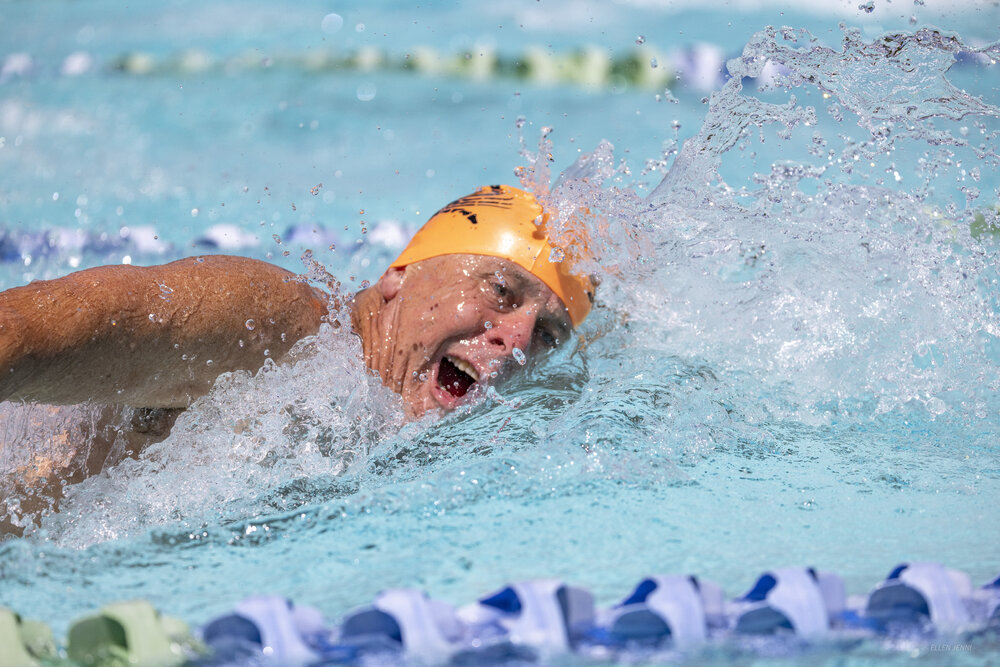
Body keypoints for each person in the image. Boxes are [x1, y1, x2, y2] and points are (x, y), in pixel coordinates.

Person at [0, 185, 594, 492]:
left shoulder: (387, 420)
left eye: (545, 332)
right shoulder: (282, 328)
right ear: (399, 275)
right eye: (500, 291)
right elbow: (21, 334)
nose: (515, 338)